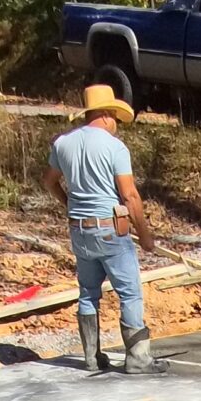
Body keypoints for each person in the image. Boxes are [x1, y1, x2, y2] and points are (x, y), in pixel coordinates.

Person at [44, 82, 160, 374]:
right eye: (116, 117)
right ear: (107, 114)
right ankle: (138, 358)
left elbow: (49, 181)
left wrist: (69, 203)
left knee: (88, 292)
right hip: (110, 230)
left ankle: (91, 357)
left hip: (79, 230)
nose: (116, 124)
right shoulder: (114, 147)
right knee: (129, 293)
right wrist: (145, 235)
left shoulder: (63, 143)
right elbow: (129, 195)